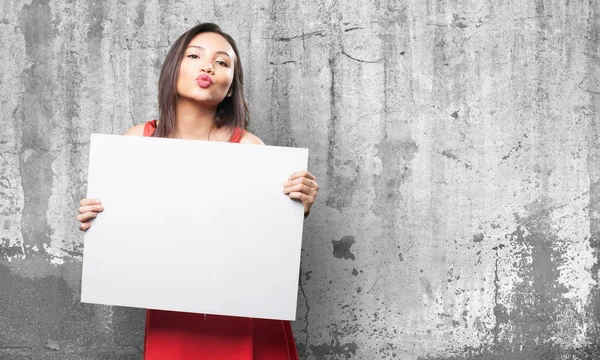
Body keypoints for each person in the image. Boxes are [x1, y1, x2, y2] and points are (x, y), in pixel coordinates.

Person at [76, 23, 319, 360]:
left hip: (244, 311)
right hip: (171, 307)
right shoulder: (137, 141)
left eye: (223, 63)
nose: (208, 67)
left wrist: (298, 205)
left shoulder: (249, 147)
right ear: (172, 69)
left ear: (231, 87)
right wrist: (97, 217)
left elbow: (268, 238)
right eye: (195, 56)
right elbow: (126, 228)